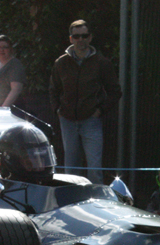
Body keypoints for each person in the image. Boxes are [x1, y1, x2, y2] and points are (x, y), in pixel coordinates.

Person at [49, 19, 122, 184]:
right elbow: (53, 89)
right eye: (76, 36)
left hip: (91, 120)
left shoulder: (102, 63)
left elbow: (115, 91)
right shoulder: (61, 63)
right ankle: (71, 204)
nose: (80, 40)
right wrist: (58, 110)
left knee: (95, 168)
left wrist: (100, 110)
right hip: (67, 120)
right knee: (71, 169)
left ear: (90, 38)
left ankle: (97, 203)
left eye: (84, 36)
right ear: (71, 39)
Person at [0, 35, 26, 107]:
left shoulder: (15, 65)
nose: (1, 50)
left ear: (11, 49)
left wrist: (3, 109)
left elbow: (16, 90)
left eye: (5, 47)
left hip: (9, 110)